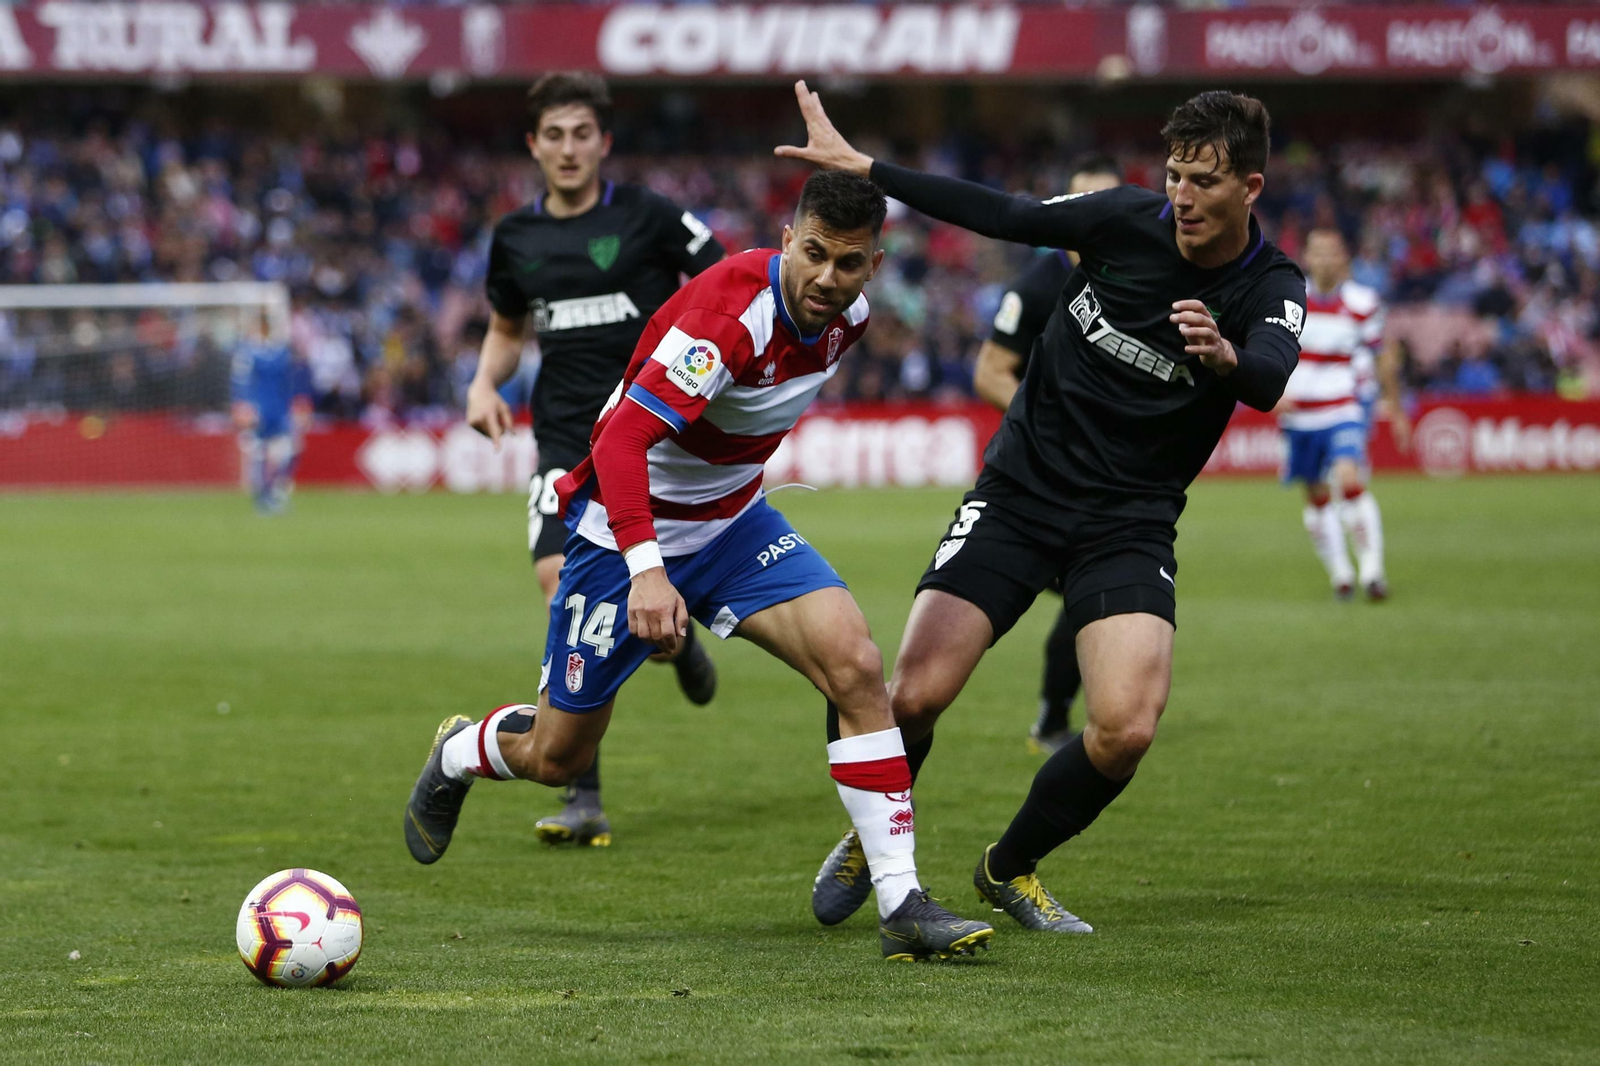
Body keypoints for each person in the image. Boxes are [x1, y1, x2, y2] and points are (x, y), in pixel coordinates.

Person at [405, 170, 994, 962]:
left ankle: (902, 902)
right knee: (556, 755)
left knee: (856, 664)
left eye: (849, 263)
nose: (828, 277)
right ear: (786, 241)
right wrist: (648, 570)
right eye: (814, 253)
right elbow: (621, 441)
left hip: (736, 526)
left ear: (874, 266)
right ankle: (458, 751)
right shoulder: (729, 317)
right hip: (622, 537)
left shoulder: (849, 319)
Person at [779, 83, 1305, 933]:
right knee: (909, 698)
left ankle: (1009, 866)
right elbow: (1003, 213)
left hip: (1128, 523)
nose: (1181, 196)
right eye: (1174, 175)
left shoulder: (1270, 282)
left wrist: (1227, 358)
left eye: (1203, 182)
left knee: (1126, 729)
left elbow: (1272, 376)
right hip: (1021, 493)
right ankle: (874, 834)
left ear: (1250, 188)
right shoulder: (1122, 218)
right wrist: (868, 168)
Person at [465, 73, 726, 847]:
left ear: (604, 142)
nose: (569, 148)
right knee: (562, 585)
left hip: (652, 438)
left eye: (582, 133)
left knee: (635, 605)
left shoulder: (650, 216)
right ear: (533, 145)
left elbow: (726, 283)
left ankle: (676, 638)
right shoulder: (516, 236)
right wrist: (482, 383)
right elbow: (507, 329)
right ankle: (583, 793)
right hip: (564, 442)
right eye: (554, 135)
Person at [972, 153, 1123, 757]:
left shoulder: (1142, 271)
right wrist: (1054, 420)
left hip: (1108, 474)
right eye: (1084, 202)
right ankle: (1051, 716)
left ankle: (1055, 718)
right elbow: (990, 372)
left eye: (1108, 201)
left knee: (1092, 592)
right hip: (1040, 472)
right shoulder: (1037, 284)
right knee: (1087, 589)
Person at [1277, 227, 1406, 601]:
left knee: (1349, 480)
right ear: (1307, 257)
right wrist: (1272, 393)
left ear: (1343, 257)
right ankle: (1341, 575)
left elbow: (1382, 356)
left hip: (1342, 407)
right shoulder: (1289, 299)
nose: (1324, 260)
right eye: (1317, 252)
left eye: (1331, 252)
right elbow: (1270, 350)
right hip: (1299, 415)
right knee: (1316, 496)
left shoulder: (1363, 302)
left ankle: (1373, 573)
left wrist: (1395, 408)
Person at [231, 307, 311, 514]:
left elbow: (291, 381)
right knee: (259, 452)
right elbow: (240, 383)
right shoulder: (247, 353)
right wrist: (242, 406)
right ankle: (262, 498)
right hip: (258, 410)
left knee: (293, 449)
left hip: (280, 409)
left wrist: (297, 403)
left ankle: (275, 490)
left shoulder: (281, 351)